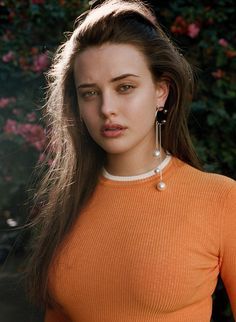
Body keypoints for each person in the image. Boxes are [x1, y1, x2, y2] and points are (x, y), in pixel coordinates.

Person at [26, 0, 236, 321]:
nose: (107, 108)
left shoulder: (221, 200)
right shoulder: (67, 202)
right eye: (90, 93)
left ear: (160, 92)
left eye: (125, 87)